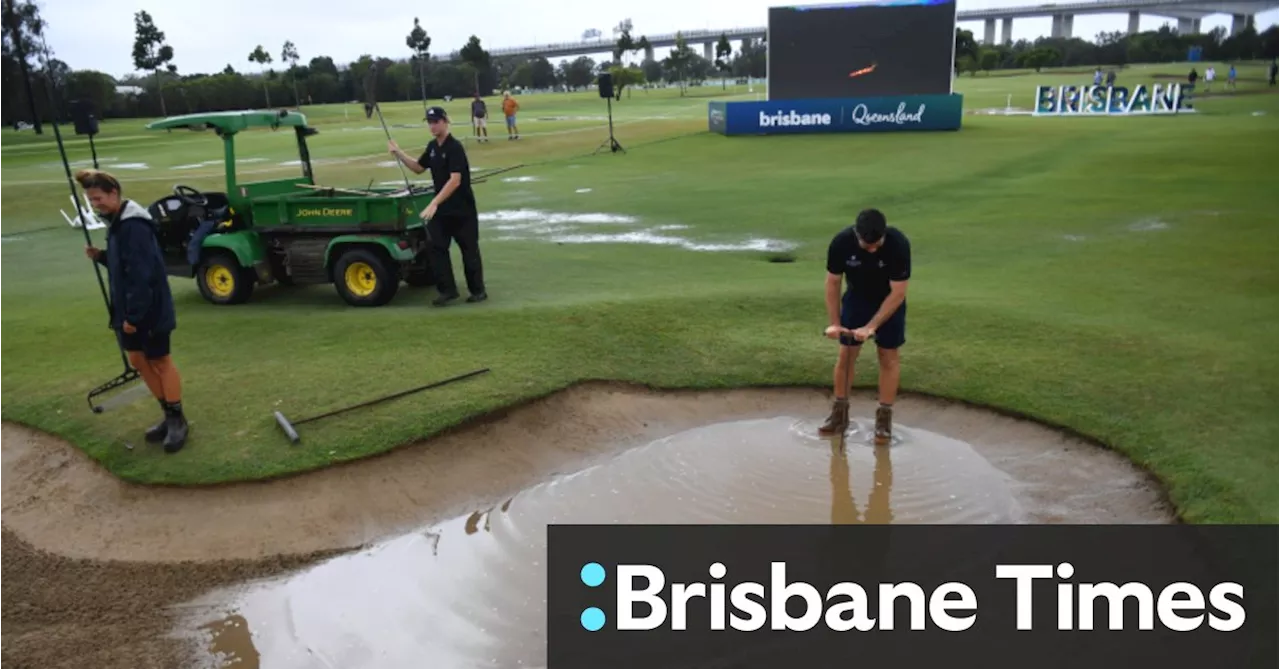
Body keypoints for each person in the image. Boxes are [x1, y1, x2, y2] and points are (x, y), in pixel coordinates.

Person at [78, 169, 189, 453]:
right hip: (129, 309)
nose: (95, 205)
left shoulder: (133, 226)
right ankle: (167, 414)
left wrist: (134, 317)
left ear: (114, 193)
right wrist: (102, 257)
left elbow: (142, 276)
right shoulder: (117, 223)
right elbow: (125, 266)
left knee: (160, 360)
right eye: (91, 201)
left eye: (99, 198)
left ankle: (177, 420)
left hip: (147, 309)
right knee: (139, 361)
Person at [819, 208, 911, 446]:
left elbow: (898, 292)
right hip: (857, 299)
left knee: (888, 356)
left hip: (889, 302)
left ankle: (884, 422)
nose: (871, 248)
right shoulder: (841, 243)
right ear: (856, 233)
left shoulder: (898, 244)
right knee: (846, 355)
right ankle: (839, 415)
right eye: (866, 244)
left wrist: (871, 327)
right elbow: (832, 283)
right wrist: (835, 324)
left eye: (876, 243)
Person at [388, 106, 487, 306]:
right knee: (436, 246)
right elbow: (418, 168)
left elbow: (455, 181)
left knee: (469, 250)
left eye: (436, 122)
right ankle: (447, 290)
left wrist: (434, 201)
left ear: (445, 121)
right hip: (442, 211)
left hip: (462, 210)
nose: (433, 126)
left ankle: (478, 291)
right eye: (430, 122)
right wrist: (399, 153)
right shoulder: (432, 147)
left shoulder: (455, 147)